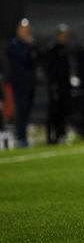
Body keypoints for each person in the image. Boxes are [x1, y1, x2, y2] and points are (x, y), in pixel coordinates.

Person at [7, 18, 39, 148]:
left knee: (27, 111)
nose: (26, 32)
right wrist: (29, 46)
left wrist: (31, 46)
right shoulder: (15, 45)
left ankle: (23, 137)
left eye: (27, 29)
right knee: (21, 111)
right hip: (19, 83)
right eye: (24, 29)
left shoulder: (29, 44)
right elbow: (24, 59)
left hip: (30, 82)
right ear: (19, 30)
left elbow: (37, 58)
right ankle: (20, 138)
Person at [44, 24, 71, 144]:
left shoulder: (65, 50)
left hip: (65, 86)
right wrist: (53, 85)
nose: (64, 38)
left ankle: (60, 135)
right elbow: (49, 70)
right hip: (55, 86)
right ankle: (50, 136)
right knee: (53, 112)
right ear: (58, 36)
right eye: (63, 35)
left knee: (62, 111)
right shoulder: (52, 50)